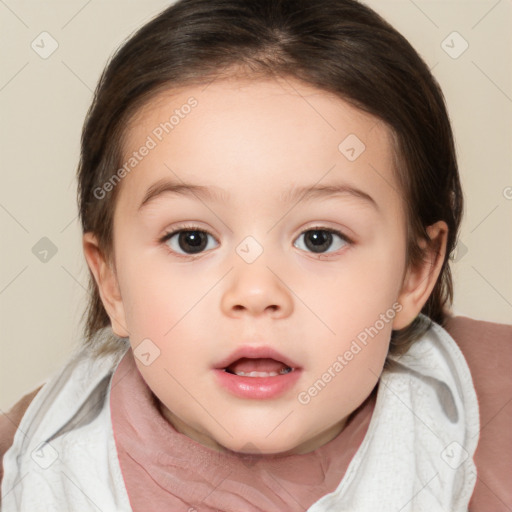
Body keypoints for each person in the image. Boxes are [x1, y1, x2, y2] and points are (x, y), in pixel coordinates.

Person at [1, 0, 511, 510]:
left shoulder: (494, 407)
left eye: (319, 239)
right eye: (192, 240)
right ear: (111, 282)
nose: (255, 293)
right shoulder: (32, 464)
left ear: (414, 272)